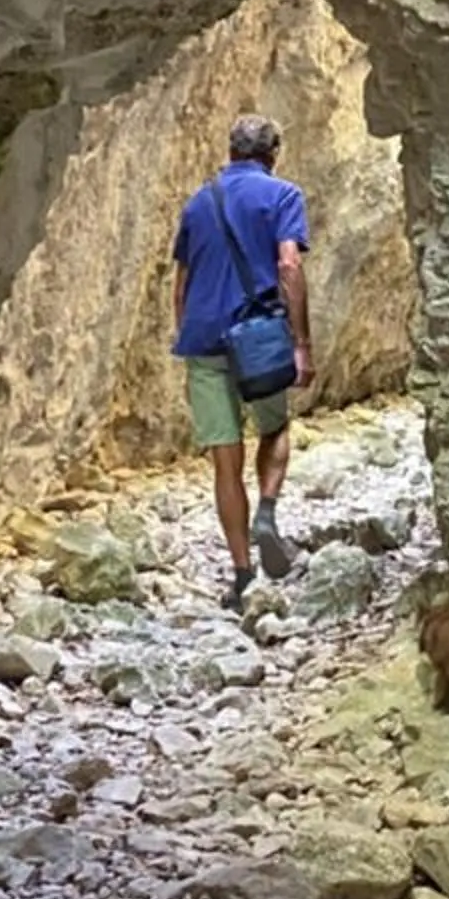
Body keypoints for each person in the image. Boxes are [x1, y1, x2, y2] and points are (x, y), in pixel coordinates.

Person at [170, 113, 316, 609]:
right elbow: (288, 264)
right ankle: (267, 514)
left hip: (204, 341)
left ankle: (241, 574)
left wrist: (188, 337)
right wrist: (301, 343)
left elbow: (181, 285)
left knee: (224, 461)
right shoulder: (283, 195)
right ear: (273, 154)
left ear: (231, 152)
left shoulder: (197, 202)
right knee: (275, 428)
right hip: (258, 340)